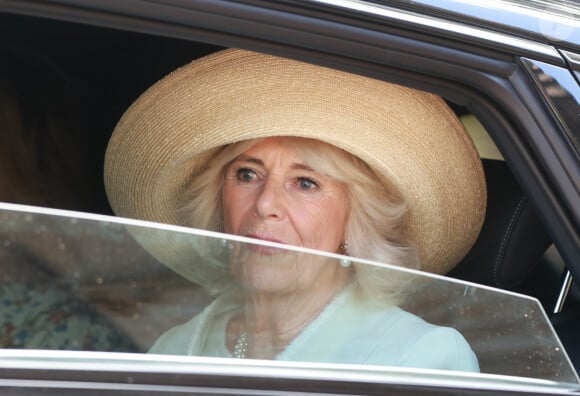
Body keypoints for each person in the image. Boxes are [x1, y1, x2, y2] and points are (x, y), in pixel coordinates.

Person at [104, 49, 486, 371]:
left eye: (306, 183)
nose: (265, 204)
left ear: (357, 218)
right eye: (247, 173)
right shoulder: (177, 348)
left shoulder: (418, 360)